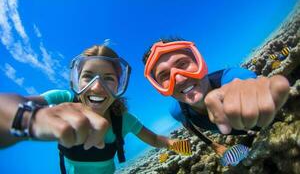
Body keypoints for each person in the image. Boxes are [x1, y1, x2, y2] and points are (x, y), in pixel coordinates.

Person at [0, 45, 189, 174]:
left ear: (119, 86)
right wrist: (27, 119)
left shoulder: (123, 119)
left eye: (108, 78)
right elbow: (12, 105)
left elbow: (155, 139)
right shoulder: (61, 100)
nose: (97, 87)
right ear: (76, 80)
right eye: (87, 76)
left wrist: (184, 146)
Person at [142, 38, 290, 135]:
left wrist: (249, 88)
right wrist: (213, 145)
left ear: (200, 62)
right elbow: (189, 126)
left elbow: (243, 82)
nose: (179, 79)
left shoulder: (231, 76)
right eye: (164, 76)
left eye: (182, 64)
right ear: (159, 87)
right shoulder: (176, 111)